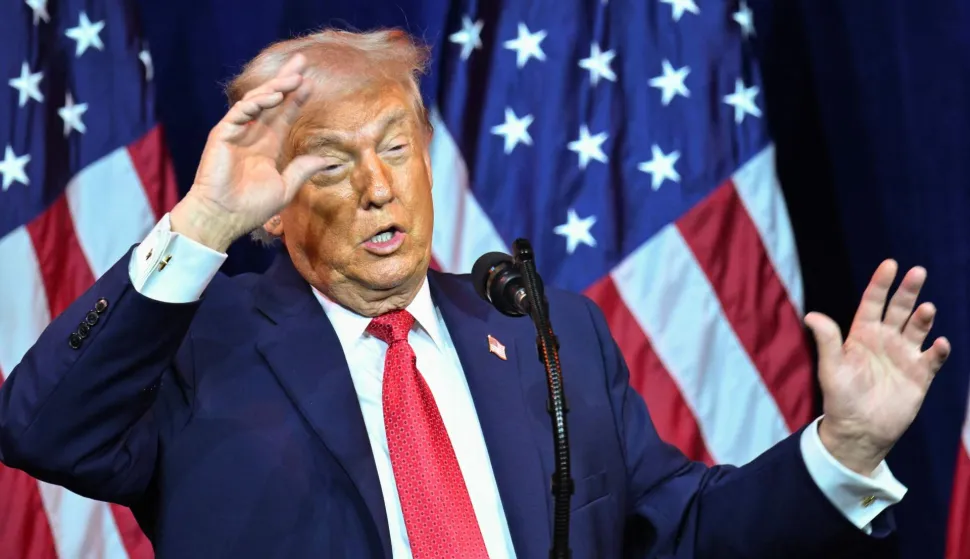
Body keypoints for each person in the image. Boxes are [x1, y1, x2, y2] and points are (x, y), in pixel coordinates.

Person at [0, 28, 950, 559]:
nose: (379, 185)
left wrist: (845, 448)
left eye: (396, 147)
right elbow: (45, 429)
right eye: (332, 164)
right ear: (274, 211)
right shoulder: (199, 353)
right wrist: (203, 219)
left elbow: (685, 529)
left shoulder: (549, 334)